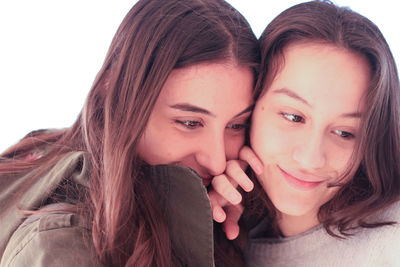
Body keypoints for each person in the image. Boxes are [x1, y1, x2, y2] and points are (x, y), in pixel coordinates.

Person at [0, 0, 260, 266]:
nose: (216, 161)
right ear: (114, 94)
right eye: (189, 123)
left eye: (236, 125)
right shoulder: (63, 247)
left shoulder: (225, 210)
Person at [212, 1, 400, 266]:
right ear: (251, 109)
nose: (311, 159)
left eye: (345, 133)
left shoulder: (391, 240)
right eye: (293, 117)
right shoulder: (231, 228)